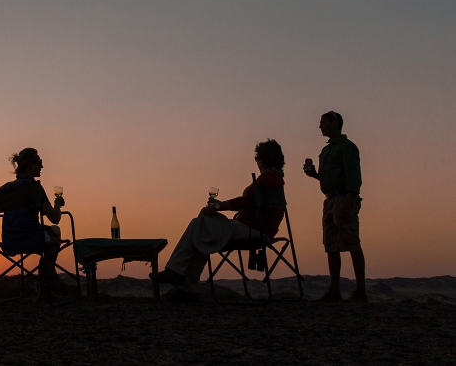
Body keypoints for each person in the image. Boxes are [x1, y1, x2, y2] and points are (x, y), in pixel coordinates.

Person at [150, 139, 287, 301]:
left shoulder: (268, 178)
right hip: (251, 228)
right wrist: (219, 205)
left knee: (198, 224)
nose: (256, 162)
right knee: (201, 233)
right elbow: (251, 204)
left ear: (262, 159)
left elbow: (247, 201)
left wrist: (217, 207)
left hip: (251, 231)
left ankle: (177, 274)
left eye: (256, 159)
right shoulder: (274, 178)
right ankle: (186, 288)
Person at [303, 111, 367, 302]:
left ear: (335, 123)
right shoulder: (326, 151)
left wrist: (349, 199)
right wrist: (314, 174)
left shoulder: (347, 147)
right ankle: (335, 290)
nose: (320, 126)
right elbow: (326, 177)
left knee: (351, 241)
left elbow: (353, 175)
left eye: (323, 122)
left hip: (343, 198)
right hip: (329, 199)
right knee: (331, 245)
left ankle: (361, 291)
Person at [0, 147, 65, 293]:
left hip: (9, 241)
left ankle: (48, 279)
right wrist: (57, 204)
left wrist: (44, 227)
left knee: (50, 231)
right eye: (40, 161)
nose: (42, 165)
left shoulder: (7, 189)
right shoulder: (34, 188)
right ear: (31, 164)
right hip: (31, 239)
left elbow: (23, 220)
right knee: (56, 231)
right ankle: (46, 283)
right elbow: (55, 218)